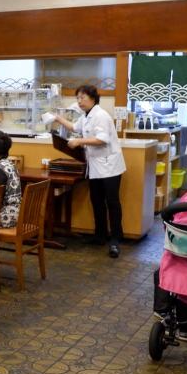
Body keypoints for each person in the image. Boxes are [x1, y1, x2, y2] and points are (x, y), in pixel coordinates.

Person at [55, 86, 126, 258]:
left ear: (93, 98)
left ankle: (116, 239)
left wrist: (79, 142)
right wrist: (57, 118)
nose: (79, 101)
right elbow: (74, 127)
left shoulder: (100, 115)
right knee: (96, 201)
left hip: (110, 166)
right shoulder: (86, 116)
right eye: (77, 98)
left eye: (82, 97)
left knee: (112, 202)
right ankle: (99, 235)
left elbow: (102, 139)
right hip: (95, 166)